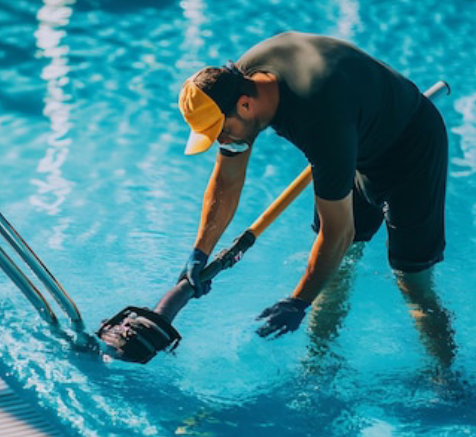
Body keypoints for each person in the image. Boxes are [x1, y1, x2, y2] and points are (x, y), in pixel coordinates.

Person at [177, 31, 451, 343]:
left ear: (244, 104)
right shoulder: (238, 82)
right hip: (354, 138)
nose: (222, 142)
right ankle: (318, 365)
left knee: (412, 281)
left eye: (222, 132)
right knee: (335, 271)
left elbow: (338, 232)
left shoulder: (320, 120)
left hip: (409, 150)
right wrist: (201, 251)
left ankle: (444, 378)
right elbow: (227, 179)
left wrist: (297, 302)